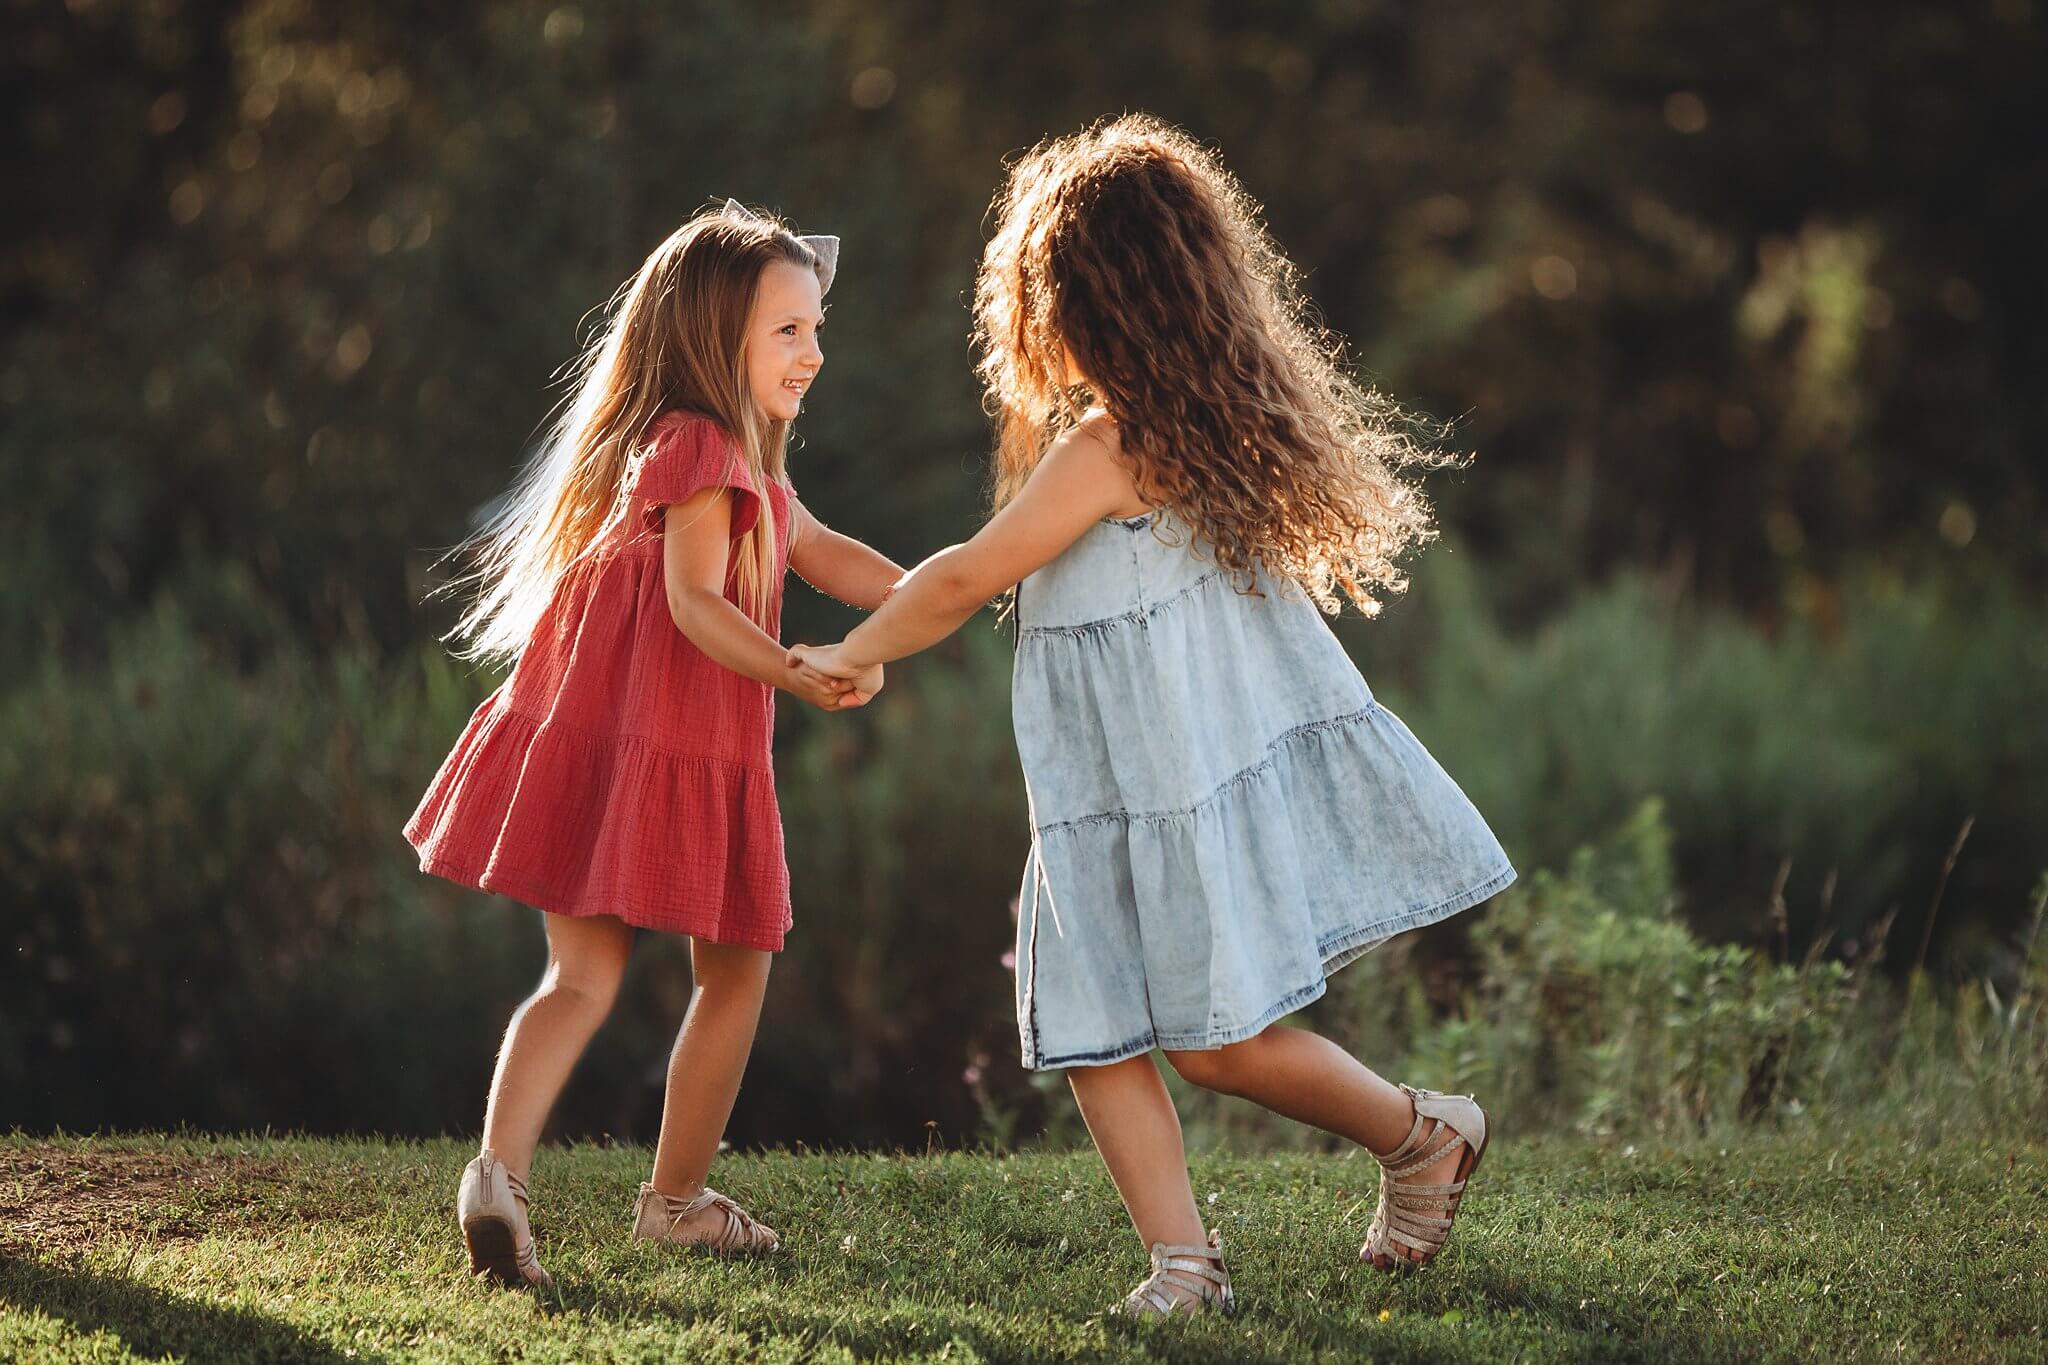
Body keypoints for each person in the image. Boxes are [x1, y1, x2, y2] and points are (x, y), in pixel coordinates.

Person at [790, 118, 1515, 1317]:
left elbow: (970, 575)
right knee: (1097, 1029)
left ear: (1085, 298)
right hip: (1095, 795)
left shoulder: (1115, 445)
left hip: (1156, 795)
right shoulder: (1155, 432)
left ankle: (1421, 1132)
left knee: (1212, 1042)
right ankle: (1183, 1264)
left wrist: (856, 652)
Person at [405, 200, 900, 1290]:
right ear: (714, 340)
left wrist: (935, 594)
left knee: (578, 979)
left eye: (816, 330)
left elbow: (818, 550)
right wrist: (797, 667)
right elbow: (691, 603)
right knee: (734, 976)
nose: (812, 353)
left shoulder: (729, 454)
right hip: (676, 749)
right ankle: (673, 1203)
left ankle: (497, 1178)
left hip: (616, 746)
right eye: (787, 332)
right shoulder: (702, 446)